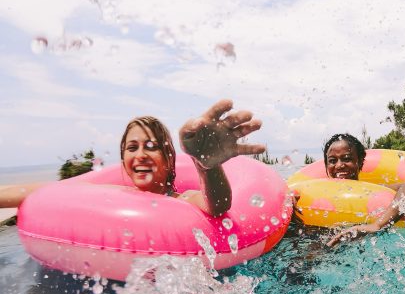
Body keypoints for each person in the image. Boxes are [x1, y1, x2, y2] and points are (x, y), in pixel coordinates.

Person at [0, 99, 265, 217]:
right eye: (131, 148)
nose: (140, 155)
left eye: (150, 146)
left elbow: (217, 206)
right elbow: (41, 192)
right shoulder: (110, 193)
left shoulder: (182, 200)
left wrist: (207, 165)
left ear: (168, 158)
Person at [321, 133, 405, 247]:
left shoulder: (369, 191)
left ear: (360, 162)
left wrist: (377, 225)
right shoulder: (317, 196)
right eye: (332, 161)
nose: (339, 165)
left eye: (347, 159)